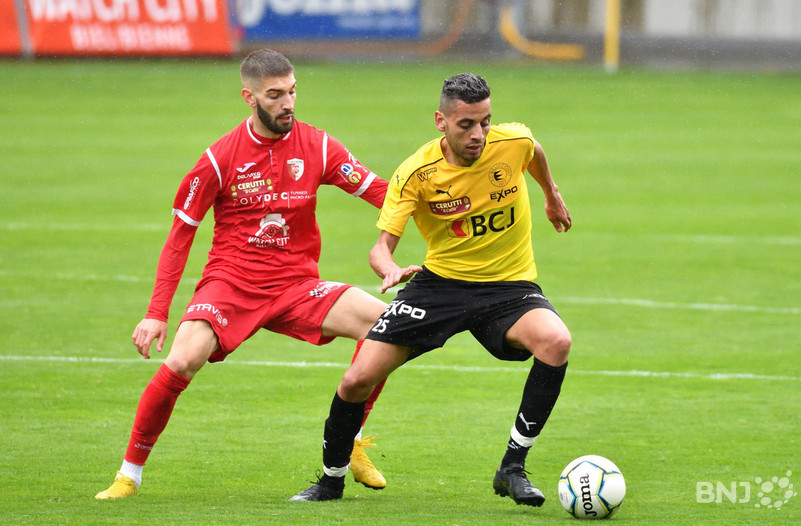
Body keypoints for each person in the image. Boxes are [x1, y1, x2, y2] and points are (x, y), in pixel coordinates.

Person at [95, 49, 390, 499]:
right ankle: (128, 476)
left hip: (297, 286)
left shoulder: (319, 145)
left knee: (386, 327)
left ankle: (348, 441)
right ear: (248, 97)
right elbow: (180, 237)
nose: (287, 103)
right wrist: (156, 313)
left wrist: (447, 209)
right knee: (182, 360)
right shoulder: (218, 159)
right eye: (275, 95)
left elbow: (384, 194)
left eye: (292, 91)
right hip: (231, 285)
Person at [291, 73, 572, 505]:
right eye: (466, 125)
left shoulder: (510, 142)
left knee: (556, 341)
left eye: (484, 121)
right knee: (356, 380)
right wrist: (388, 269)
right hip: (439, 286)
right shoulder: (416, 173)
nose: (478, 134)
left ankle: (512, 468)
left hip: (508, 286)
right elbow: (381, 247)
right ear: (441, 121)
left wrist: (551, 194)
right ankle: (330, 481)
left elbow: (533, 151)